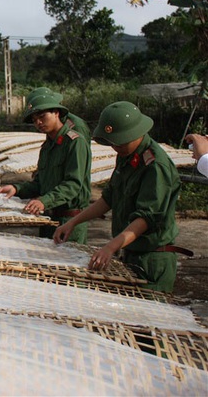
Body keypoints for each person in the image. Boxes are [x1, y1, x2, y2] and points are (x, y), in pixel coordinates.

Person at [54, 101, 183, 293]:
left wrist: (110, 247)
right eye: (113, 142)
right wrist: (72, 223)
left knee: (147, 317)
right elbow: (108, 199)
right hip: (131, 253)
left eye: (120, 142)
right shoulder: (126, 155)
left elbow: (146, 218)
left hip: (153, 259)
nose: (116, 147)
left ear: (136, 132)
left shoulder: (155, 166)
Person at [0, 93, 91, 242]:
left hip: (69, 221)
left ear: (56, 113)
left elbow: (73, 185)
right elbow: (40, 183)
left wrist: (44, 201)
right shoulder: (47, 147)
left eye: (42, 117)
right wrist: (17, 189)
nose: (39, 123)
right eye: (35, 120)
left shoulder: (75, 143)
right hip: (48, 217)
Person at [25, 87, 90, 138]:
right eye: (34, 120)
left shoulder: (77, 125)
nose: (38, 122)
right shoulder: (51, 127)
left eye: (42, 116)